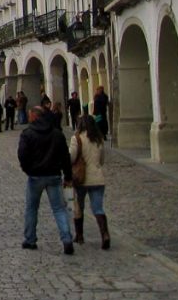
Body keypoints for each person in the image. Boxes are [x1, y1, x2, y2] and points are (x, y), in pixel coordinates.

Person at [17, 105, 75, 254]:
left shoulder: (28, 133)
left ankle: (30, 239)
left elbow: (22, 155)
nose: (29, 117)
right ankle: (67, 238)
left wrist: (28, 169)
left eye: (30, 114)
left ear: (34, 116)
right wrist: (67, 175)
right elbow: (65, 157)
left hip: (35, 176)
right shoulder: (56, 133)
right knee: (59, 209)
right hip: (54, 175)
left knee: (31, 208)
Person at [69, 114, 110, 249]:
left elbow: (71, 157)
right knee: (98, 208)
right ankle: (105, 235)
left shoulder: (77, 139)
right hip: (97, 178)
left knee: (78, 207)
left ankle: (79, 235)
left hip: (81, 179)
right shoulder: (98, 139)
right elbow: (102, 160)